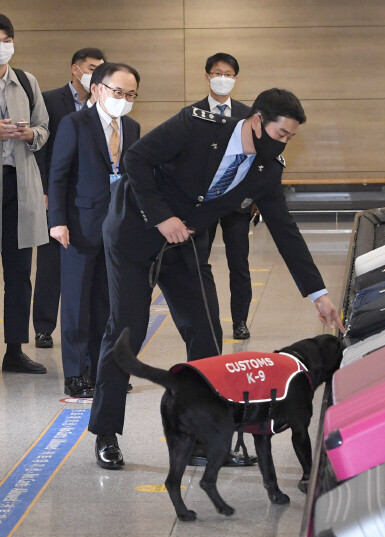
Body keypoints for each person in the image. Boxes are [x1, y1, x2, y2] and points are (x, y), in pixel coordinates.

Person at [87, 87, 345, 470]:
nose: (284, 145)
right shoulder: (196, 125)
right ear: (258, 121)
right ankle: (106, 434)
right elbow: (136, 158)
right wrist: (161, 216)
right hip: (136, 230)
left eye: (290, 139)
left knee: (206, 331)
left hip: (186, 243)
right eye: (280, 135)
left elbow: (284, 230)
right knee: (128, 329)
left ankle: (199, 439)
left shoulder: (267, 168)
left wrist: (318, 295)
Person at [48, 62, 141, 398]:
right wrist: (57, 220)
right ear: (99, 88)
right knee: (76, 303)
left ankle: (102, 369)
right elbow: (58, 174)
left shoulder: (132, 126)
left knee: (106, 303)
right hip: (78, 227)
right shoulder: (75, 124)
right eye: (119, 92)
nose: (124, 99)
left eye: (131, 94)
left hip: (116, 229)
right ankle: (75, 373)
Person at [33, 48, 106, 350]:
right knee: (51, 264)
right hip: (57, 192)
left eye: (101, 68)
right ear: (76, 70)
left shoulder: (105, 103)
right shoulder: (51, 100)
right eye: (92, 68)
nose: (96, 73)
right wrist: (45, 189)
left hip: (91, 198)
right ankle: (44, 326)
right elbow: (43, 151)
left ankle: (85, 327)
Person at [0, 14, 49, 374]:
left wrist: (31, 135)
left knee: (19, 273)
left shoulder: (26, 82)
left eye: (6, 39)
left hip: (18, 186)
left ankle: (14, 350)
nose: (3, 46)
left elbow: (44, 128)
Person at [194, 52, 254, 342]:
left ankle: (240, 320)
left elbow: (259, 160)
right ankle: (202, 317)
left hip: (236, 203)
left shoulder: (248, 115)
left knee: (239, 263)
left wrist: (254, 197)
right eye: (218, 73)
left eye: (228, 74)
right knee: (198, 262)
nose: (223, 79)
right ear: (207, 76)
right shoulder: (192, 113)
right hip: (203, 202)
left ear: (235, 79)